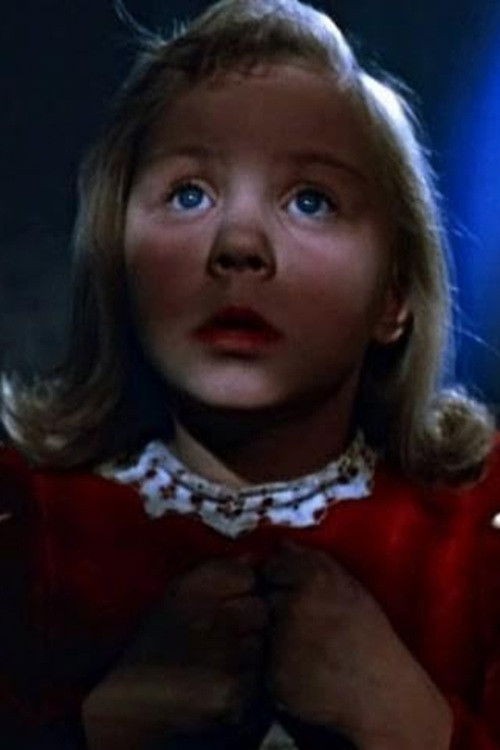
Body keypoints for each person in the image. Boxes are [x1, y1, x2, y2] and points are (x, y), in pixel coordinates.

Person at [1, 0, 499, 747]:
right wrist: (107, 721)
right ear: (115, 258)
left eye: (311, 200)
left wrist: (405, 719)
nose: (238, 243)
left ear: (394, 295)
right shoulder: (29, 519)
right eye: (190, 194)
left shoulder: (477, 531)